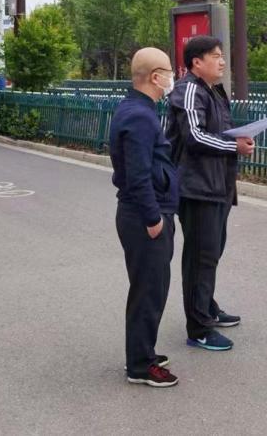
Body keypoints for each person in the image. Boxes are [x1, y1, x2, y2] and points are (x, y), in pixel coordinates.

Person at [167, 36, 254, 352]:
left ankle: (206, 306)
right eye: (216, 56)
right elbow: (195, 136)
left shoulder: (213, 91)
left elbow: (218, 132)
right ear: (196, 62)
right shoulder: (189, 90)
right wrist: (234, 146)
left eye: (222, 56)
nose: (222, 62)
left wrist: (240, 138)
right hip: (197, 189)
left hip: (217, 186)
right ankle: (199, 327)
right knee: (200, 257)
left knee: (212, 252)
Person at [109, 47, 180, 388]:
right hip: (144, 217)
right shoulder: (140, 116)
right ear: (155, 77)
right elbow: (138, 175)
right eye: (169, 71)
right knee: (149, 291)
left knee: (149, 287)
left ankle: (142, 351)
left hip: (142, 212)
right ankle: (140, 365)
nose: (172, 77)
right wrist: (153, 219)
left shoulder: (136, 109)